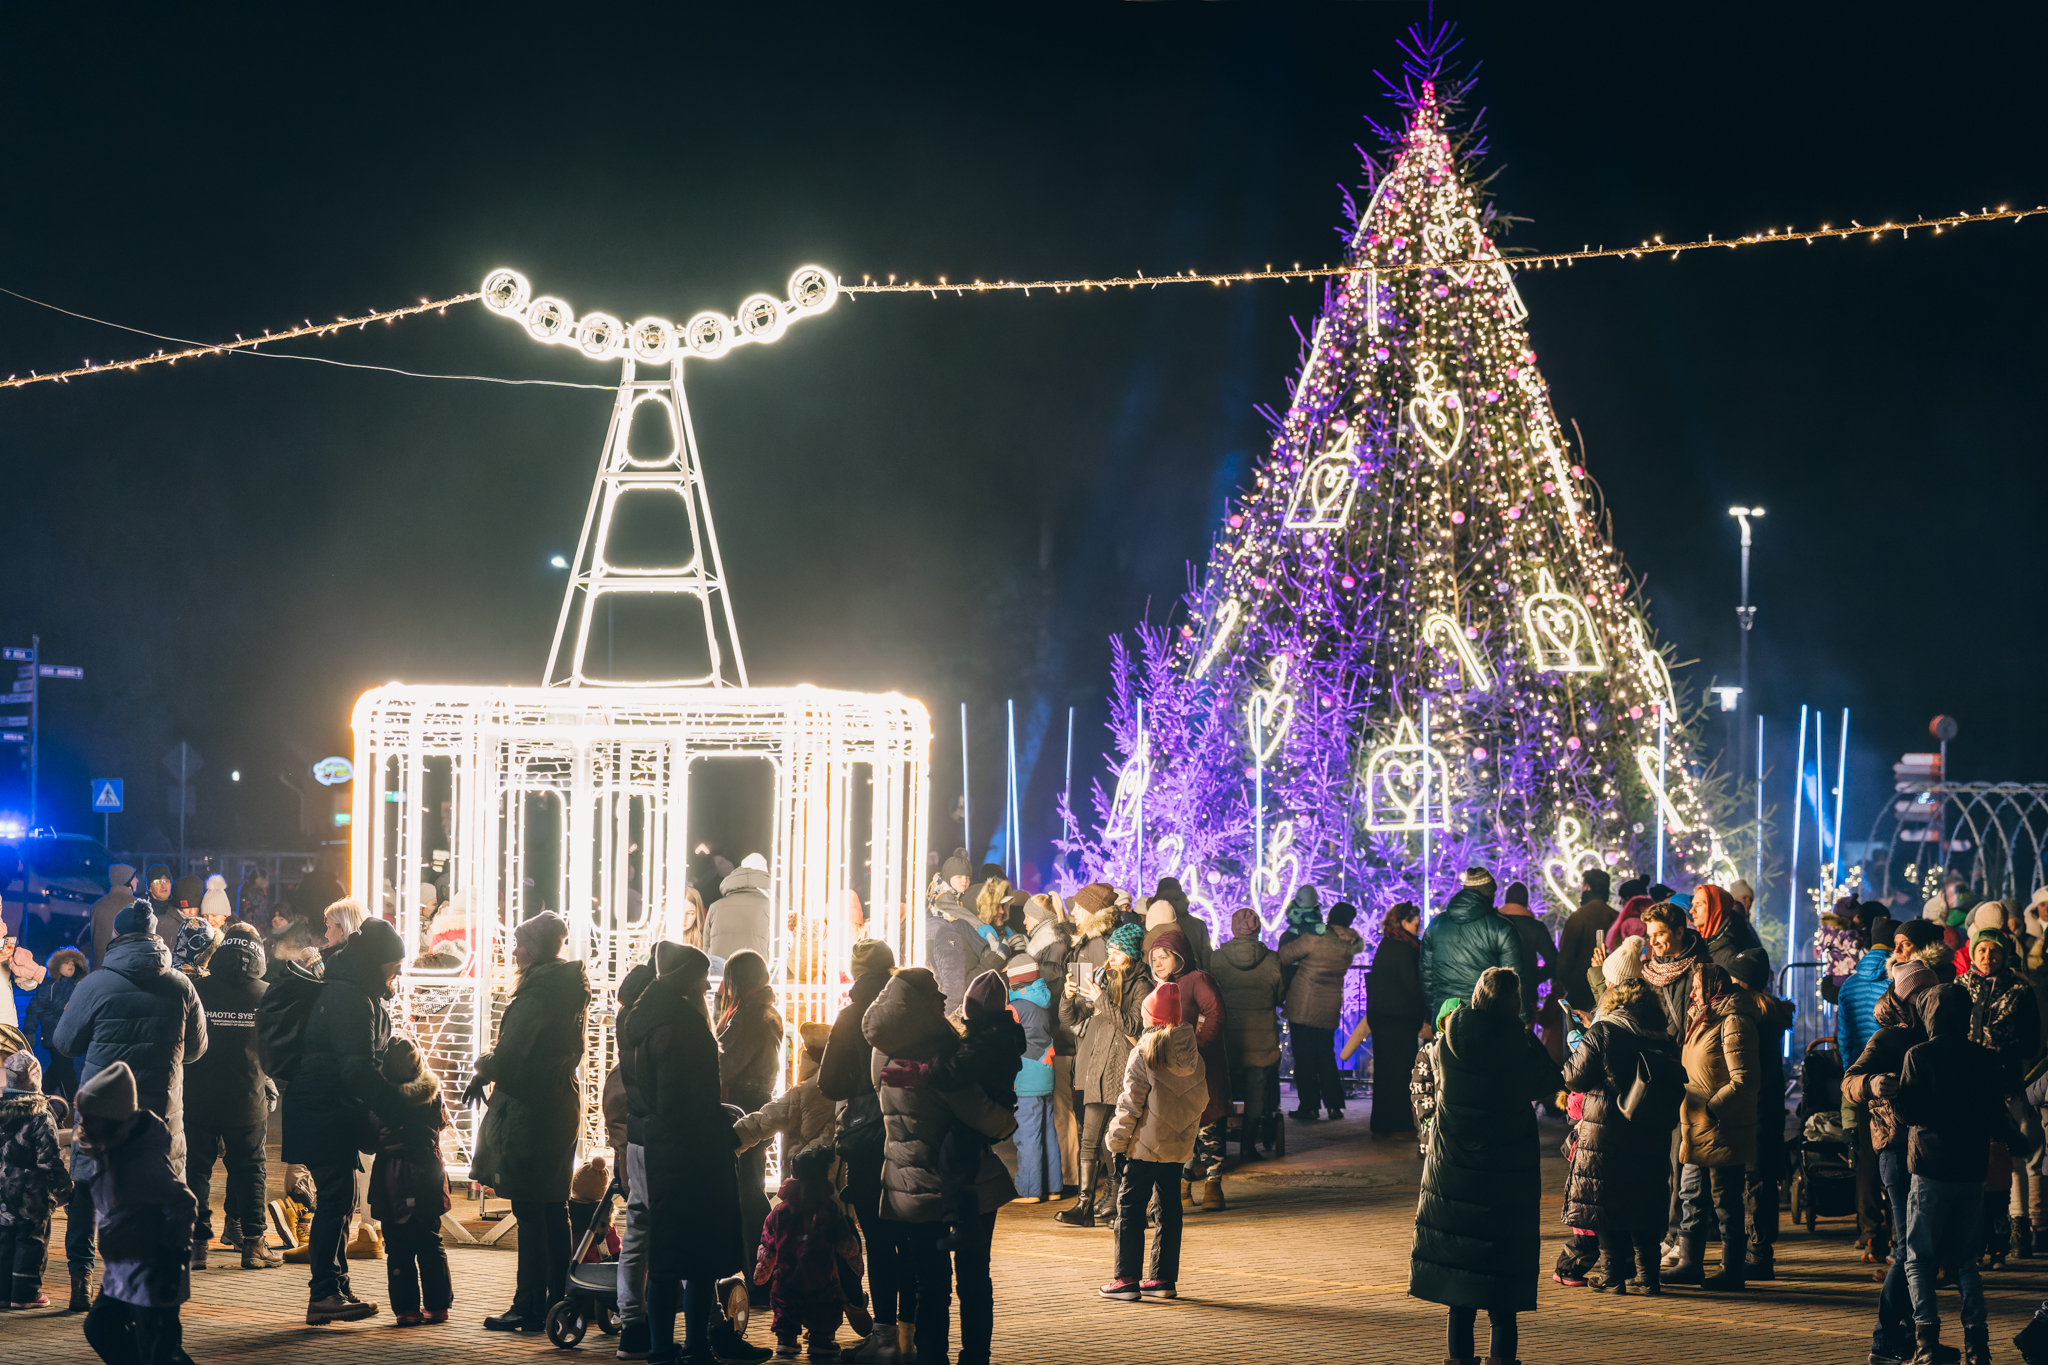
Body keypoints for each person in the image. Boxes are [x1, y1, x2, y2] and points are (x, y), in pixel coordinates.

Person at [53, 901, 207, 1313]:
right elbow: (196, 1050)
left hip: (104, 1112)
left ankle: (80, 1281)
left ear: (117, 936)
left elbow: (65, 1044)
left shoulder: (95, 985)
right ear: (156, 936)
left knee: (85, 1192)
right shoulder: (180, 986)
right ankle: (150, 1288)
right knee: (157, 1193)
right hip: (160, 1113)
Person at [1408, 968, 1565, 1365]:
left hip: (1453, 1173)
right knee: (1502, 1293)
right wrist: (1525, 1033)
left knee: (1458, 1292)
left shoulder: (1448, 1042)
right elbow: (1547, 1080)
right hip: (1505, 1175)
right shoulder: (1517, 1044)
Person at [865, 968, 1018, 1365]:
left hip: (907, 1181)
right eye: (935, 994)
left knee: (928, 1282)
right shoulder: (939, 1059)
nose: (943, 1001)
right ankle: (974, 1357)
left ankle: (931, 1356)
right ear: (917, 1003)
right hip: (964, 1183)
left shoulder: (882, 1051)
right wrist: (1008, 1121)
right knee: (972, 1277)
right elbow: (984, 1116)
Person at [621, 943, 763, 1365]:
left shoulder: (644, 1022)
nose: (707, 984)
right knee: (699, 1259)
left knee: (664, 1255)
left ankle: (660, 1348)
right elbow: (690, 1098)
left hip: (660, 1145)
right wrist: (718, 1126)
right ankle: (696, 1346)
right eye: (702, 976)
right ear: (687, 978)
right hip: (693, 1151)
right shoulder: (684, 1026)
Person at [282, 917, 411, 1324]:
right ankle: (323, 1293)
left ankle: (335, 1287)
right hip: (323, 1111)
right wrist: (397, 1109)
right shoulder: (349, 998)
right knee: (336, 1200)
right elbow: (357, 1069)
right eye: (394, 964)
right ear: (377, 962)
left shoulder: (353, 992)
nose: (397, 972)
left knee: (342, 1200)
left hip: (326, 1110)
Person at [468, 911, 590, 1332]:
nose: (514, 951)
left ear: (535, 948)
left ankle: (529, 1306)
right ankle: (561, 1297)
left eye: (519, 944)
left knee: (530, 1208)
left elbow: (512, 1055)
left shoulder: (537, 994)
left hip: (531, 1110)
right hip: (559, 1106)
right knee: (554, 1208)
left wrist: (482, 1067)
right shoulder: (568, 989)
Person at [1895, 984, 2027, 1365]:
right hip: (1971, 1171)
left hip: (1931, 1167)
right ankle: (1976, 1344)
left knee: (1919, 1258)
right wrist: (2014, 1140)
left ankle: (1926, 1342)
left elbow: (1910, 1114)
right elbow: (1993, 1113)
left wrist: (1893, 1096)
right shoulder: (1983, 1058)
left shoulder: (1919, 1055)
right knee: (1967, 1262)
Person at [1561, 979, 1683, 1293]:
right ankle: (1647, 1278)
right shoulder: (1662, 1037)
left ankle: (1612, 1276)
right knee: (1645, 1199)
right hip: (1650, 1130)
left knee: (1605, 1202)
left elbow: (1575, 1077)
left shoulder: (1604, 1031)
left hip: (1607, 1130)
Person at [75, 1061, 197, 1365]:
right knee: (100, 1326)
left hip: (153, 1272)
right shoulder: (109, 1150)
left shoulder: (140, 1160)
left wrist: (169, 1252)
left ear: (111, 1119)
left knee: (158, 1351)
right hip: (122, 1270)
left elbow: (183, 1203)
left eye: (91, 1118)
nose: (83, 1126)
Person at [816, 939, 903, 1364]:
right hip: (914, 1134)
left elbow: (828, 1082)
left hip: (868, 1139)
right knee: (916, 1240)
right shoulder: (914, 1012)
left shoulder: (852, 1017)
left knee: (880, 1239)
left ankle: (885, 1333)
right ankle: (913, 1331)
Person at [1844, 966, 1936, 1365]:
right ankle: (1885, 1341)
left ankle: (1909, 1337)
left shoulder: (1936, 1036)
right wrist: (1872, 1084)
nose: (1930, 1002)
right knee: (1906, 1249)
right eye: (1924, 995)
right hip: (1897, 1150)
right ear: (1907, 998)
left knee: (1919, 1249)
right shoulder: (1888, 1037)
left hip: (1931, 1149)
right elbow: (1851, 1081)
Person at [1098, 981, 1206, 1302]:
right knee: (1169, 1212)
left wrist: (1116, 1143)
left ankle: (1126, 1278)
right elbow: (1200, 1101)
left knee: (1129, 1210)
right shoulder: (1195, 1057)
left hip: (1143, 1148)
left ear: (1150, 1018)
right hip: (1176, 1149)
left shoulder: (1143, 1053)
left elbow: (1129, 1105)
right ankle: (1162, 1279)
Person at [183, 923, 279, 1271]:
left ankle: (195, 1246)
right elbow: (274, 1050)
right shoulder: (268, 994)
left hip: (198, 1095)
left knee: (195, 1170)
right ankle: (253, 1244)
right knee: (250, 1169)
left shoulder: (197, 988)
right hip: (246, 1097)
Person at [1665, 963, 1761, 1290]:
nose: (1692, 993)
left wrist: (1712, 1109)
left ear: (1712, 986)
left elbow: (1744, 1079)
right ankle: (1690, 1263)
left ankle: (1732, 1269)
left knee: (1726, 1201)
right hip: (1694, 1128)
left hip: (1720, 1128)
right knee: (1690, 1194)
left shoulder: (1733, 1022)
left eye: (1696, 986)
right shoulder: (1702, 1019)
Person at [1054, 922, 1147, 1229]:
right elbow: (1070, 1020)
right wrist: (1068, 997)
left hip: (1121, 1073)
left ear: (1130, 955)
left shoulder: (1142, 986)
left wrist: (1101, 1000)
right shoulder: (1106, 981)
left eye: (1117, 952)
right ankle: (1084, 1205)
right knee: (1090, 1139)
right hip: (1098, 1070)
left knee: (1115, 1143)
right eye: (1109, 950)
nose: (1110, 957)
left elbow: (1134, 1027)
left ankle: (1119, 1203)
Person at [368, 1034, 451, 1327]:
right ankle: (438, 1306)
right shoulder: (432, 1093)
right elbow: (441, 1122)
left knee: (398, 1247)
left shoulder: (379, 1096)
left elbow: (367, 1138)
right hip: (428, 1173)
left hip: (391, 1177)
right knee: (431, 1241)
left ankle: (406, 1309)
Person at [754, 1145, 864, 1359]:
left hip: (786, 1276)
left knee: (785, 1305)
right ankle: (820, 1340)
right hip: (820, 1275)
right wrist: (854, 1258)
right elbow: (844, 1239)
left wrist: (763, 1267)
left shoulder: (780, 1210)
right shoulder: (828, 1209)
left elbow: (768, 1242)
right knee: (823, 1306)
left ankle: (786, 1341)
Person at [1145, 929, 1229, 1209]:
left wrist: (1198, 1046)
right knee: (1181, 1126)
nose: (1157, 963)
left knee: (1208, 1124)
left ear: (1178, 957)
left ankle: (1213, 1184)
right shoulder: (1159, 986)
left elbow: (1215, 1013)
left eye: (1163, 957)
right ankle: (1182, 1186)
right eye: (1153, 958)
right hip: (1172, 1069)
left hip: (1203, 1066)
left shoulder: (1198, 980)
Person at [716, 947, 783, 1294]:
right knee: (750, 1188)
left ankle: (760, 1273)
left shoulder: (746, 1016)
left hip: (741, 1109)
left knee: (746, 1194)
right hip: (758, 1104)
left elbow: (723, 1062)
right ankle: (764, 1270)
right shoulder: (765, 1012)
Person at [0, 1051, 72, 1309]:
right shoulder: (40, 1114)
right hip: (32, 1194)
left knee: (4, 1241)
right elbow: (49, 1160)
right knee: (31, 1242)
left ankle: (3, 1293)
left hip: (2, 1191)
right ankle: (26, 1294)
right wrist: (65, 1191)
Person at [1209, 907, 1283, 1158]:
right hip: (1262, 1039)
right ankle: (1248, 1146)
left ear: (1233, 927)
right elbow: (1280, 994)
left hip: (1227, 1037)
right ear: (1258, 928)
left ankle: (1217, 1142)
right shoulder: (1272, 960)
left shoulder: (1216, 959)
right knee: (1257, 1093)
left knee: (1220, 1090)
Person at [1282, 901, 1365, 1123]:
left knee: (1304, 1057)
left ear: (1330, 917)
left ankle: (1308, 1107)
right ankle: (1334, 1105)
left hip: (1304, 1003)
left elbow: (1285, 955)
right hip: (1330, 1006)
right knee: (1326, 1056)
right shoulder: (1349, 943)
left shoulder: (1314, 938)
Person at [1421, 869, 1535, 1023]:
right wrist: (1523, 1024)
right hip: (1486, 1024)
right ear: (1488, 894)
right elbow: (1514, 983)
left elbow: (1426, 977)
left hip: (1445, 1019)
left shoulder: (1435, 925)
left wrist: (1436, 1011)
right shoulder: (1502, 928)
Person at [733, 1021, 836, 1163]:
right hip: (840, 1175)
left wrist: (729, 1138)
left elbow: (763, 1121)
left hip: (803, 1173)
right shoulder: (852, 1088)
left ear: (807, 1058)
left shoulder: (802, 1092)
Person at [1003, 954, 1061, 1203]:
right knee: (1048, 1134)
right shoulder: (1043, 1004)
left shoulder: (1014, 1009)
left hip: (1025, 1077)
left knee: (1027, 1136)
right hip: (1046, 1074)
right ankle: (1054, 1187)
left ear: (1015, 981)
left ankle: (1029, 1190)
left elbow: (1007, 1045)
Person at [1364, 903, 1425, 1137]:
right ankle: (1397, 1122)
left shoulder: (1389, 943)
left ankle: (1383, 1122)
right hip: (1399, 1018)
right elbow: (1411, 985)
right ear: (1403, 922)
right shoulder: (1403, 948)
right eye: (1416, 924)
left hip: (1384, 1017)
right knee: (1400, 1073)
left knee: (1385, 1072)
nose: (1418, 929)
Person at [928, 854, 1006, 1022]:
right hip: (955, 1015)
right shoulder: (948, 913)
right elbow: (960, 984)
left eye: (967, 877)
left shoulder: (954, 908)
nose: (964, 881)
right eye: (959, 877)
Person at [23, 946, 87, 1104]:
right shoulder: (49, 985)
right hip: (54, 1033)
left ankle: (40, 1097)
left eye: (73, 963)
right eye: (66, 962)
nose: (70, 965)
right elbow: (34, 1009)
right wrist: (29, 1033)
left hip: (70, 1033)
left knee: (58, 1068)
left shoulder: (76, 986)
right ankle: (72, 1102)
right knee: (66, 1068)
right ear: (56, 965)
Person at [1638, 902, 1708, 1041]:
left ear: (1679, 933)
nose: (1652, 942)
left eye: (1659, 934)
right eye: (1650, 936)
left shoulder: (1702, 970)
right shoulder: (1650, 973)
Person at [1556, 868, 1618, 1018]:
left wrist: (1569, 985)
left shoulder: (1577, 918)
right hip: (1610, 994)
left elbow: (1564, 962)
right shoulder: (1616, 918)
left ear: (1587, 887)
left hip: (1579, 994)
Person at [704, 853, 773, 969]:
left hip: (719, 975)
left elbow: (706, 947)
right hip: (756, 974)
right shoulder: (771, 905)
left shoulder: (715, 906)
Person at [1141, 878, 1212, 972]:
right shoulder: (1198, 924)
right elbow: (1207, 960)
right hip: (1193, 977)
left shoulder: (1149, 923)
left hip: (1159, 978)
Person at [88, 864, 137, 970]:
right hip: (128, 971)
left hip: (101, 970)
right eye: (134, 877)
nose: (137, 880)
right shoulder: (136, 905)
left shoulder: (97, 905)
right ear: (127, 880)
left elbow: (93, 940)